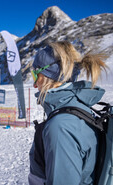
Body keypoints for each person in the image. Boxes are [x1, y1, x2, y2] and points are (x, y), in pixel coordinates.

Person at [28, 41, 108, 185]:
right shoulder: (77, 107)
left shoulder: (61, 127)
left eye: (35, 74)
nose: (34, 84)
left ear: (48, 75)